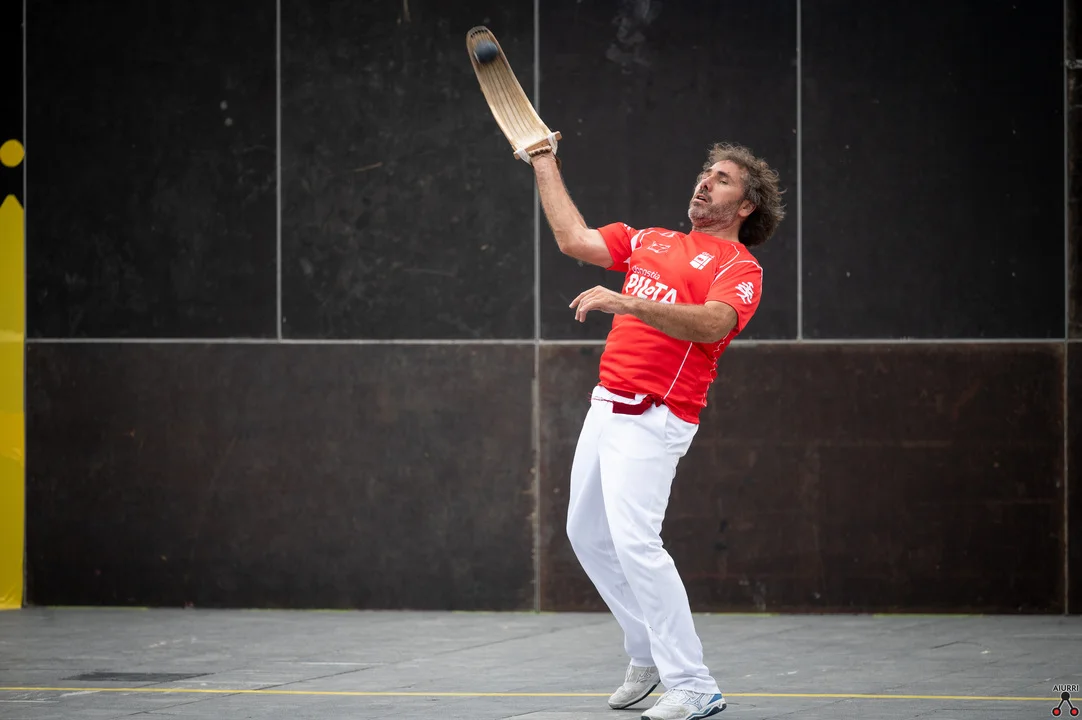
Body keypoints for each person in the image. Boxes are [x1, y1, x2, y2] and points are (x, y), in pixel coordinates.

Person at [527, 140, 784, 720]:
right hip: (606, 404)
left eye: (721, 179)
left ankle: (694, 684)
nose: (704, 183)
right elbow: (573, 238)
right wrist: (543, 161)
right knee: (586, 534)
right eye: (704, 173)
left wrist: (630, 304)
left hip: (656, 415)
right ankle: (645, 653)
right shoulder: (650, 240)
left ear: (746, 205)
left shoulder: (739, 268)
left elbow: (714, 323)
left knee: (637, 543)